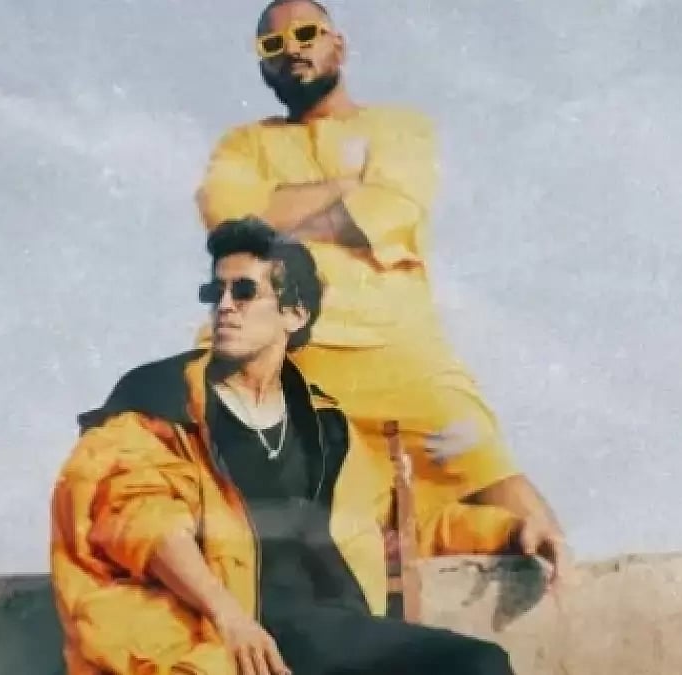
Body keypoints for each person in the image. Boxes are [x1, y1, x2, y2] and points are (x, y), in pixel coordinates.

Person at [50, 217, 537, 675]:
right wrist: (230, 617)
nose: (224, 307)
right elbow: (139, 518)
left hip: (333, 626)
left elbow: (392, 523)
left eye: (244, 292)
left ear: (294, 314)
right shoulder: (161, 396)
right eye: (215, 292)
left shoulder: (324, 423)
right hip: (227, 628)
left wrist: (510, 531)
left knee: (480, 664)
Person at [194, 0, 572, 586]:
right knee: (285, 516)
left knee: (486, 466)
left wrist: (279, 214)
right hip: (282, 357)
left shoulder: (400, 128)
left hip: (397, 354)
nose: (292, 49)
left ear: (338, 45)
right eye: (273, 45)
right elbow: (231, 225)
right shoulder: (242, 146)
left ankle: (562, 594)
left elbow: (391, 208)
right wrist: (348, 185)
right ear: (262, 64)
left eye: (306, 33)